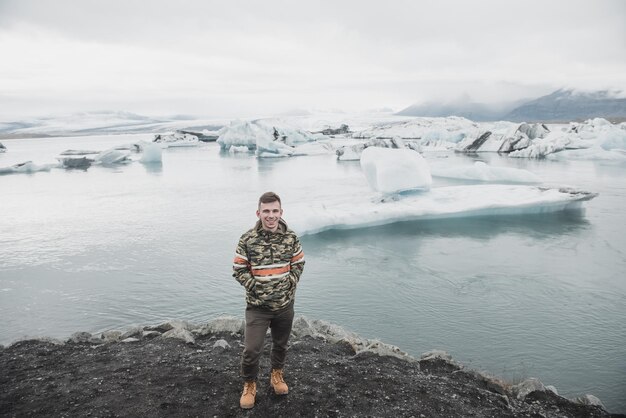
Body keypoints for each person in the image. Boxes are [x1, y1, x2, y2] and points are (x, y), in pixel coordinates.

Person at [232, 191, 305, 409]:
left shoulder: (291, 237)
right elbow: (238, 269)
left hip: (285, 306)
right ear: (259, 212)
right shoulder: (247, 239)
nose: (270, 215)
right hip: (257, 308)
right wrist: (257, 289)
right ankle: (249, 384)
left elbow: (299, 263)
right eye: (266, 211)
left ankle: (277, 375)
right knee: (252, 349)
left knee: (280, 345)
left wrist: (289, 283)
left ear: (281, 212)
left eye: (275, 211)